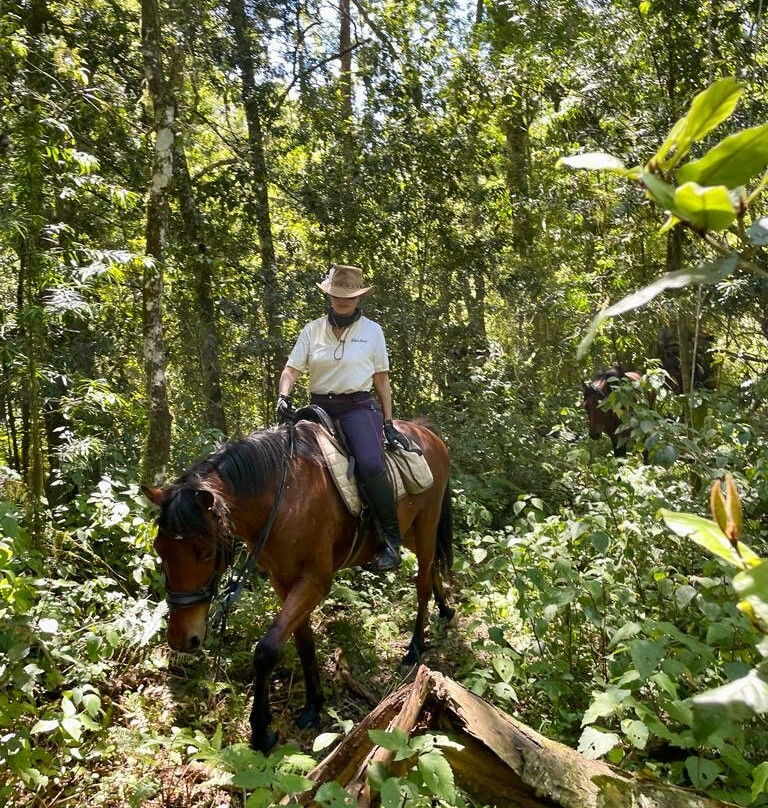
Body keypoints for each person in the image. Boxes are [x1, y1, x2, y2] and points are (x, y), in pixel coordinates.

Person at [276, 264, 409, 572]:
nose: (342, 300)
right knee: (285, 460)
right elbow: (291, 370)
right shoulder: (312, 330)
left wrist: (388, 422)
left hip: (357, 407)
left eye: (348, 296)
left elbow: (382, 380)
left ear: (359, 298)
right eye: (336, 294)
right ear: (329, 295)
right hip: (318, 407)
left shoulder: (372, 331)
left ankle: (390, 539)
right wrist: (284, 395)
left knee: (370, 464)